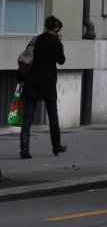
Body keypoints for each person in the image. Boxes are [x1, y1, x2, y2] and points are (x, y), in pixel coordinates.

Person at [19, 16, 67, 159]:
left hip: (32, 82)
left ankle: (24, 150)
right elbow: (62, 60)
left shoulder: (36, 40)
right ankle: (56, 147)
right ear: (57, 29)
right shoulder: (56, 43)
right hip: (48, 83)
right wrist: (60, 43)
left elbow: (27, 57)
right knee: (53, 116)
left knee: (28, 117)